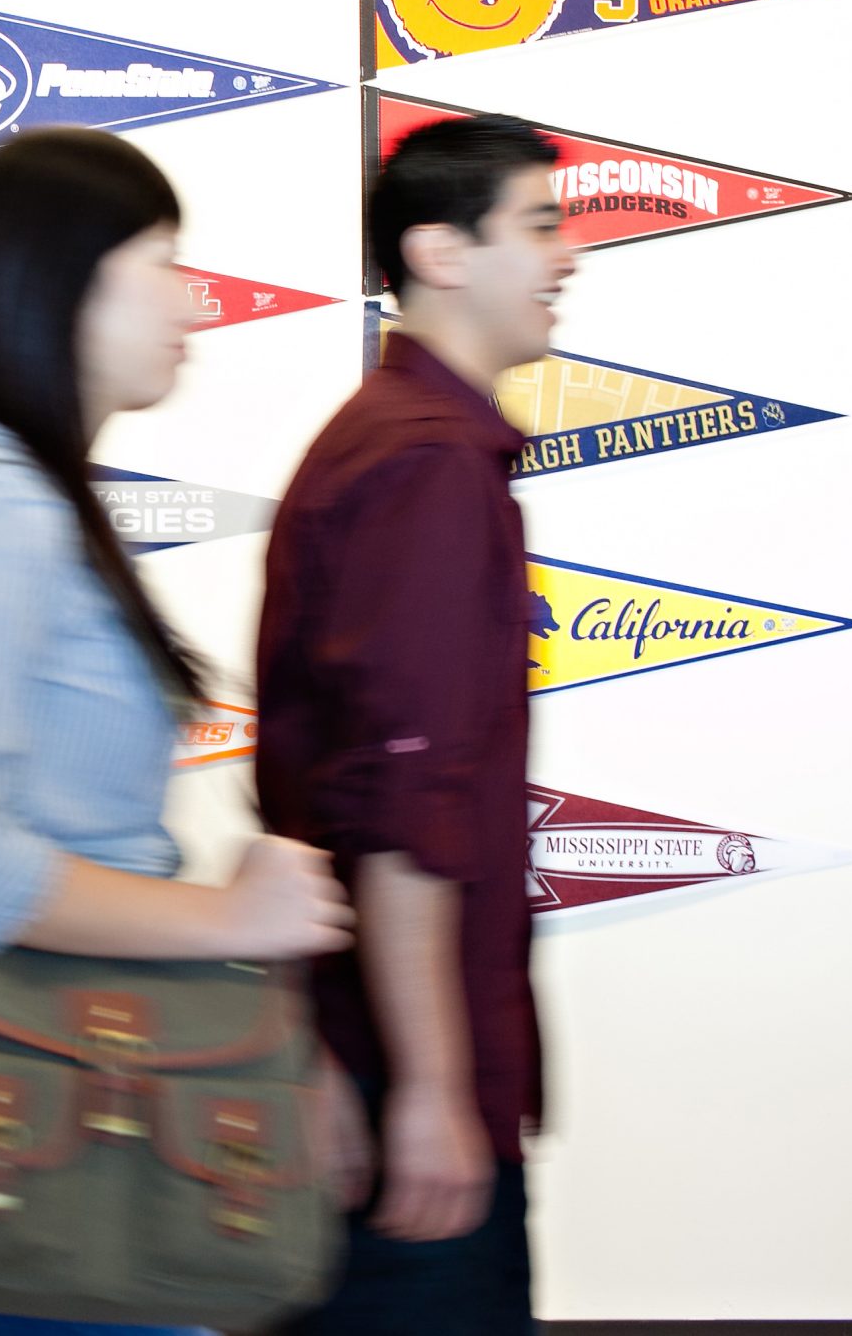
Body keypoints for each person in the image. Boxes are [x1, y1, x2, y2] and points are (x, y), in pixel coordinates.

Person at [0, 128, 356, 1336]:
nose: (195, 301)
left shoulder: (15, 493)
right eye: (164, 261)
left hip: (67, 1085)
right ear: (66, 279)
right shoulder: (3, 511)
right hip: (37, 1102)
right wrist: (230, 919)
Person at [255, 114, 574, 1335]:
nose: (566, 257)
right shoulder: (425, 466)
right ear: (440, 252)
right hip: (409, 1092)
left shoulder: (395, 443)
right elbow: (398, 816)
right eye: (539, 225)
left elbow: (321, 790)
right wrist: (434, 1091)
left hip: (362, 1056)